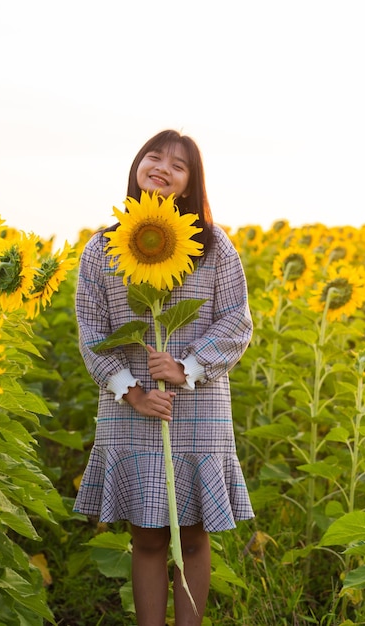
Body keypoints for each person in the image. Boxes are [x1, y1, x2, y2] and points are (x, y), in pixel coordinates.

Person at [74, 129, 254, 626]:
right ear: (137, 165)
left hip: (198, 405)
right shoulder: (102, 249)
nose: (162, 167)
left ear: (190, 183)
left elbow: (236, 321)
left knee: (193, 534)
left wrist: (186, 367)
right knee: (147, 535)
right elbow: (92, 328)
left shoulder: (213, 247)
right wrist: (130, 390)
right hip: (129, 406)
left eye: (178, 165)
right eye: (154, 156)